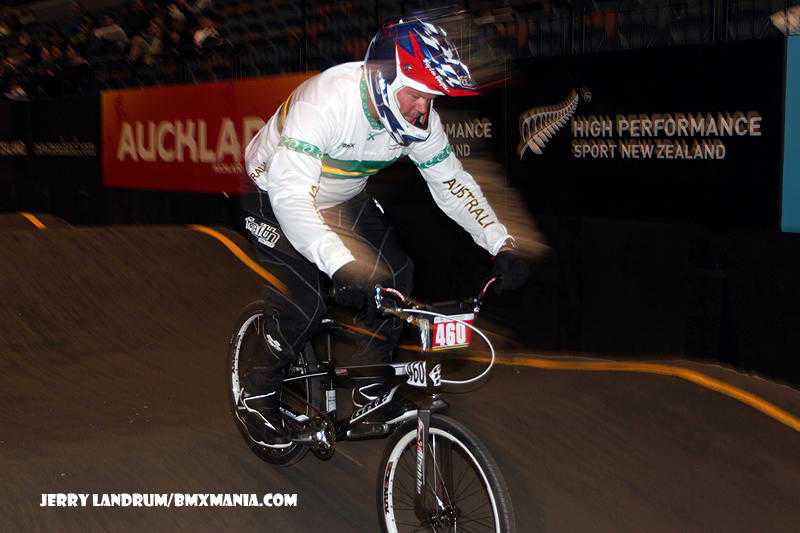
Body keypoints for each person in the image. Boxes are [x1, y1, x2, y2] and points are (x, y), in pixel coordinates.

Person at [241, 17, 529, 444]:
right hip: (274, 192)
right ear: (383, 81)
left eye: (431, 98)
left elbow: (451, 183)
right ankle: (256, 393)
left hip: (341, 194)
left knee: (396, 277)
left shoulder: (418, 119)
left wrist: (499, 241)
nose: (423, 109)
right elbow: (292, 198)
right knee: (306, 304)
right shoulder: (326, 103)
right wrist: (339, 263)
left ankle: (371, 389)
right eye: (416, 95)